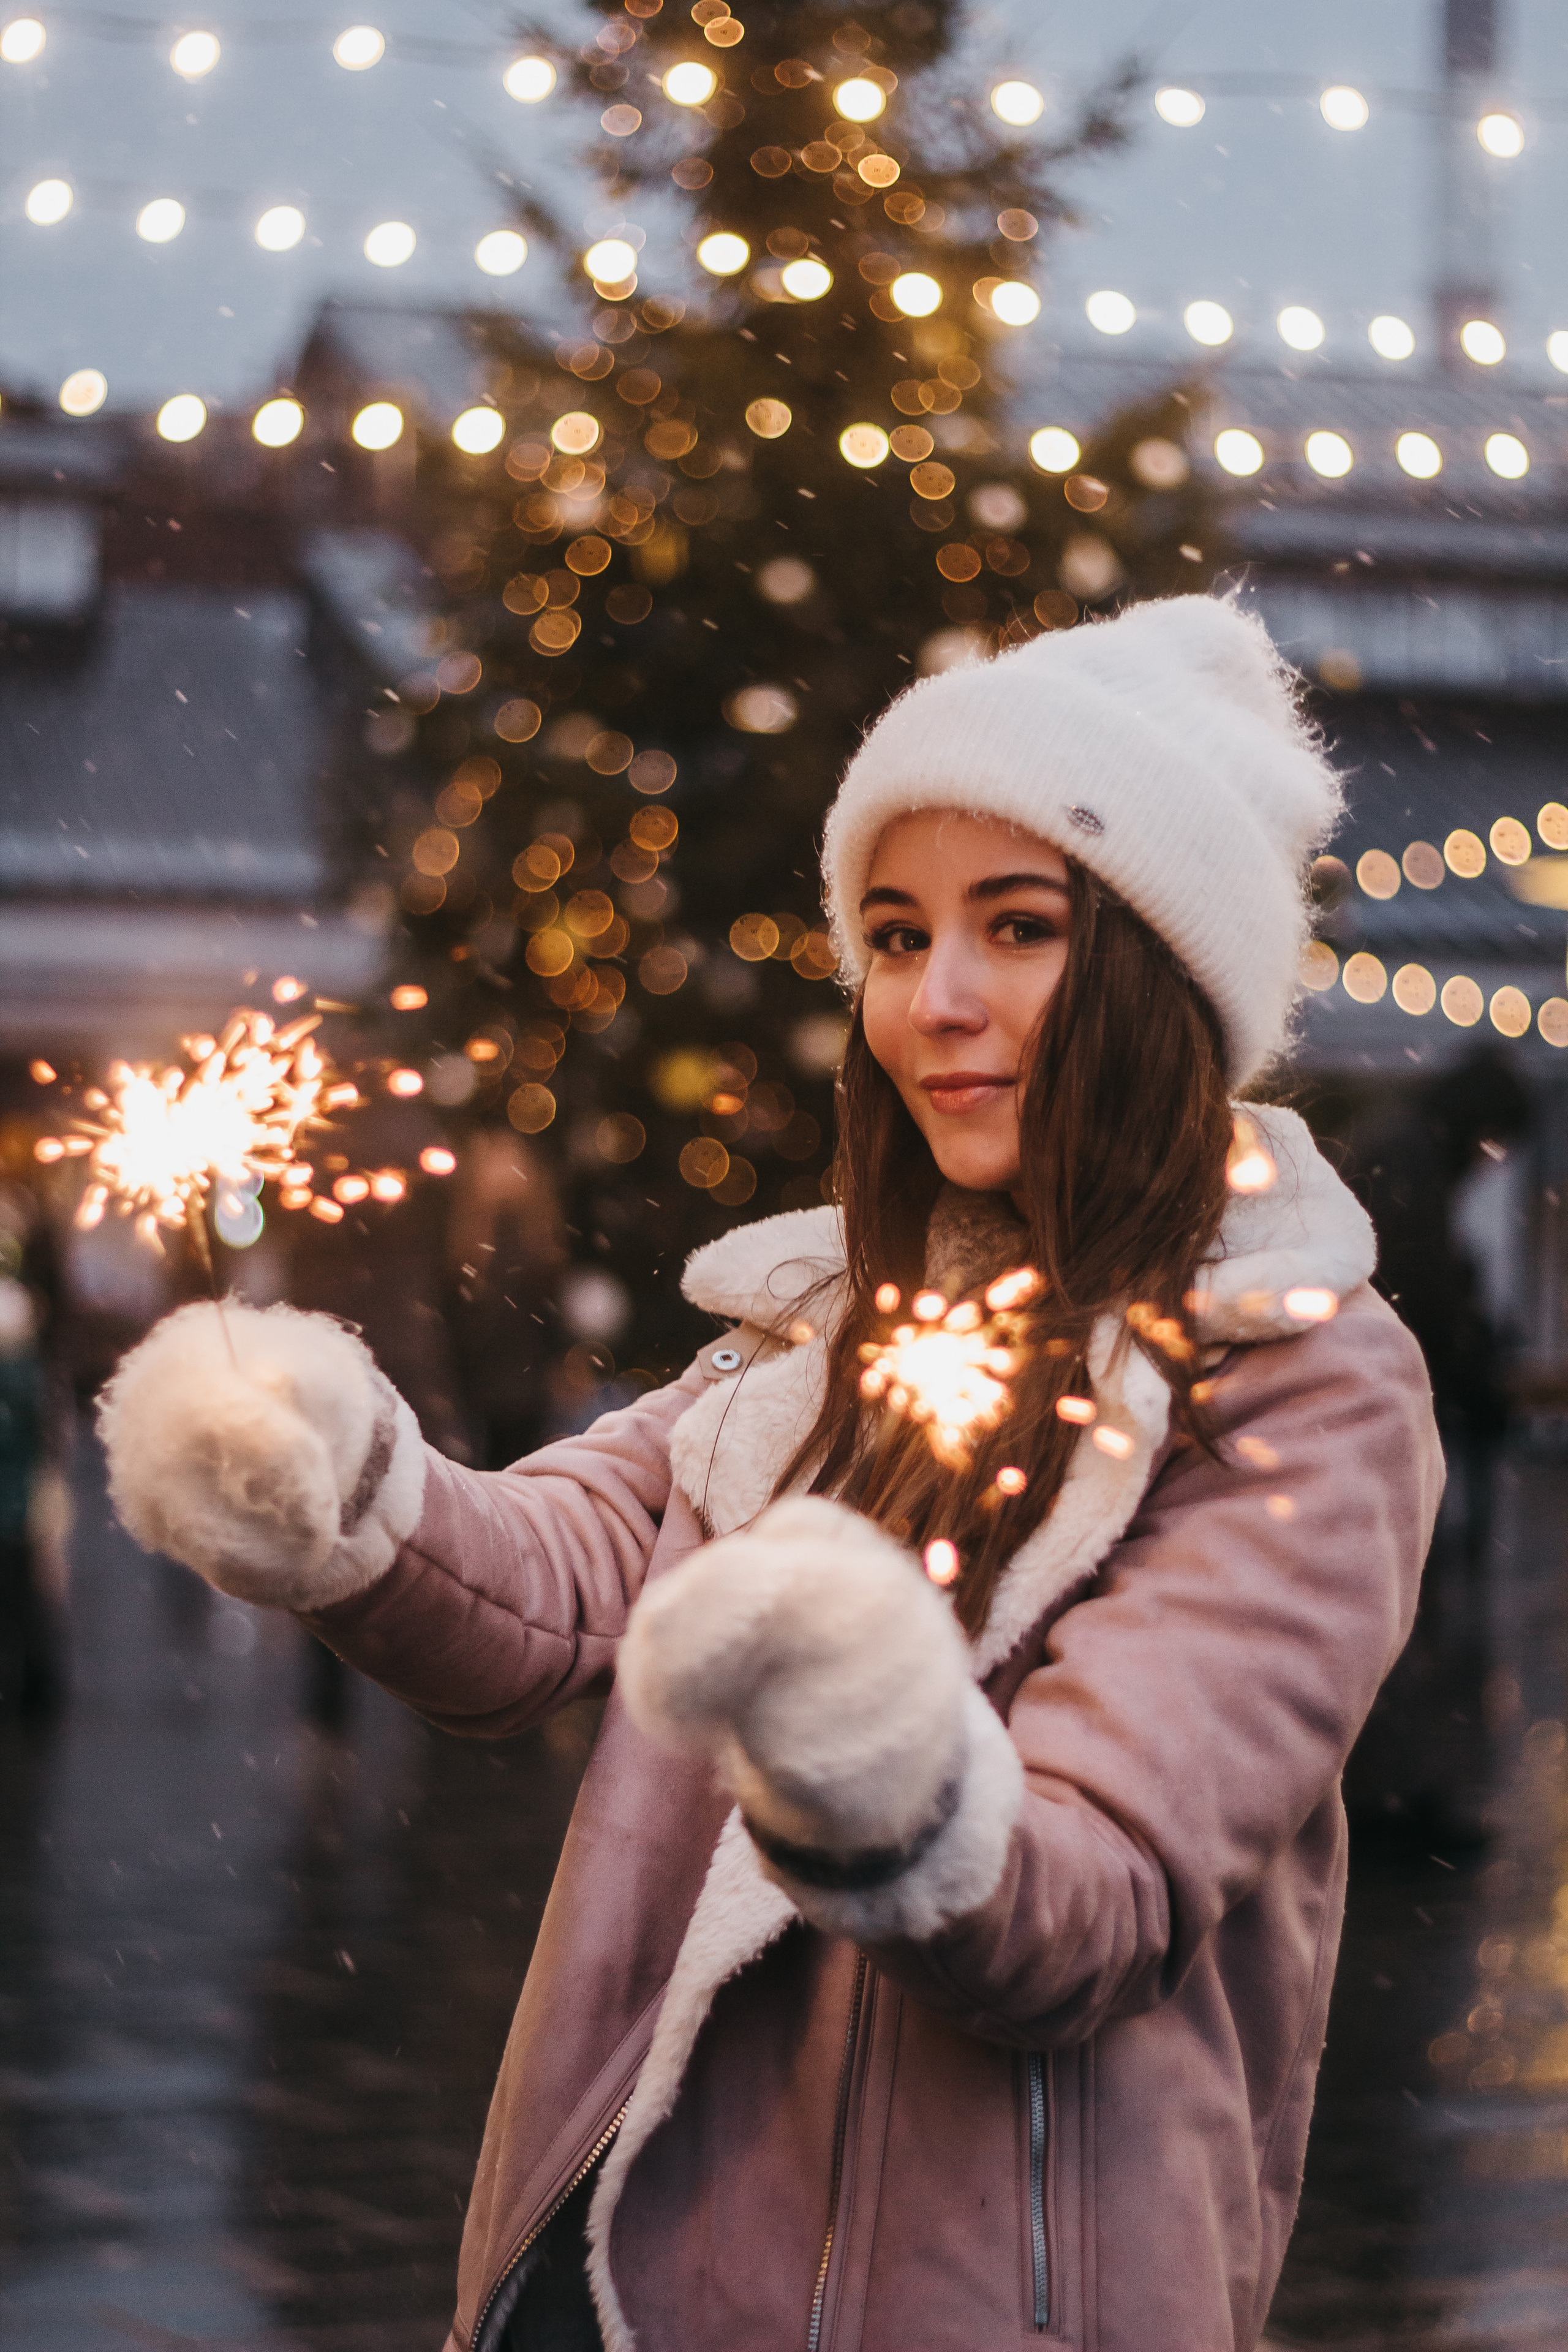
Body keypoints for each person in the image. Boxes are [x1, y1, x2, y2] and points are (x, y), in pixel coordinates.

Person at [94, 597, 1441, 2352]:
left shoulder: (1303, 1380)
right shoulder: (826, 1332)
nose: (934, 1002)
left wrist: (873, 1753)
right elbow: (559, 1580)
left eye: (1016, 928)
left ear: (1159, 972)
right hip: (621, 2276)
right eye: (892, 937)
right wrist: (334, 1483)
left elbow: (1089, 1897)